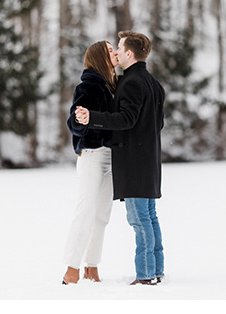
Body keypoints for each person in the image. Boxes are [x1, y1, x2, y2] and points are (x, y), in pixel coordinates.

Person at [75, 31, 166, 286]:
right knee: (150, 217)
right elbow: (157, 123)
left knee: (139, 219)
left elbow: (126, 119)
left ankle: (145, 274)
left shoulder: (132, 82)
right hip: (149, 160)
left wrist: (93, 117)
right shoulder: (153, 83)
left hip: (135, 163)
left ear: (129, 53)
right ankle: (156, 270)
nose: (116, 50)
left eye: (119, 46)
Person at [60, 40, 120, 285]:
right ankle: (71, 268)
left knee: (102, 215)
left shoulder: (115, 84)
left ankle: (92, 266)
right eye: (109, 50)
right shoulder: (88, 85)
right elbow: (73, 122)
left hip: (112, 156)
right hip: (92, 155)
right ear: (100, 57)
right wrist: (81, 119)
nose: (115, 53)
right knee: (85, 211)